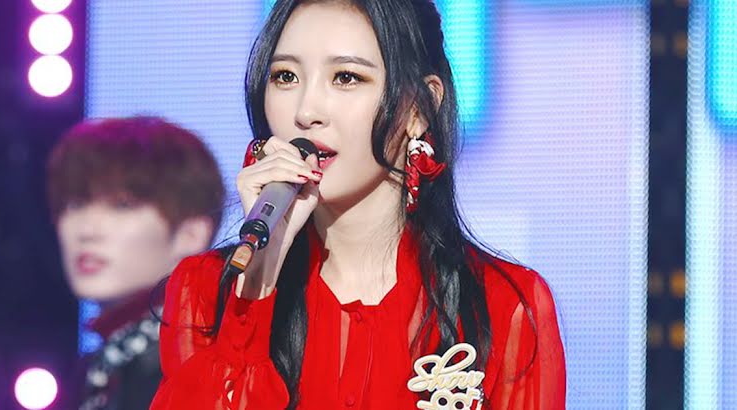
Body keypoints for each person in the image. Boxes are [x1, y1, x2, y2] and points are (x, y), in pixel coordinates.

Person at [152, 1, 565, 409]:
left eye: (346, 77)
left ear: (419, 107)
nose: (306, 112)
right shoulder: (204, 291)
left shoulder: (504, 306)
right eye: (286, 76)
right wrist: (258, 281)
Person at [47, 116, 225, 410]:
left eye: (122, 205)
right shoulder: (98, 369)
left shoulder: (201, 368)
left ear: (191, 233)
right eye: (76, 204)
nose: (87, 230)